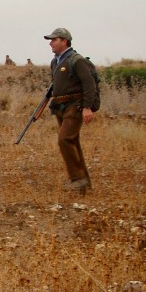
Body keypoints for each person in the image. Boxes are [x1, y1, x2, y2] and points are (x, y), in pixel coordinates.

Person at [45, 27, 97, 193]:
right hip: (60, 106)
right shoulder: (55, 61)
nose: (51, 43)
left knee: (64, 139)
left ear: (64, 41)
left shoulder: (77, 60)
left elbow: (89, 84)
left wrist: (87, 107)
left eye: (54, 40)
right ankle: (84, 185)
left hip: (75, 106)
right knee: (72, 141)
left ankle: (77, 178)